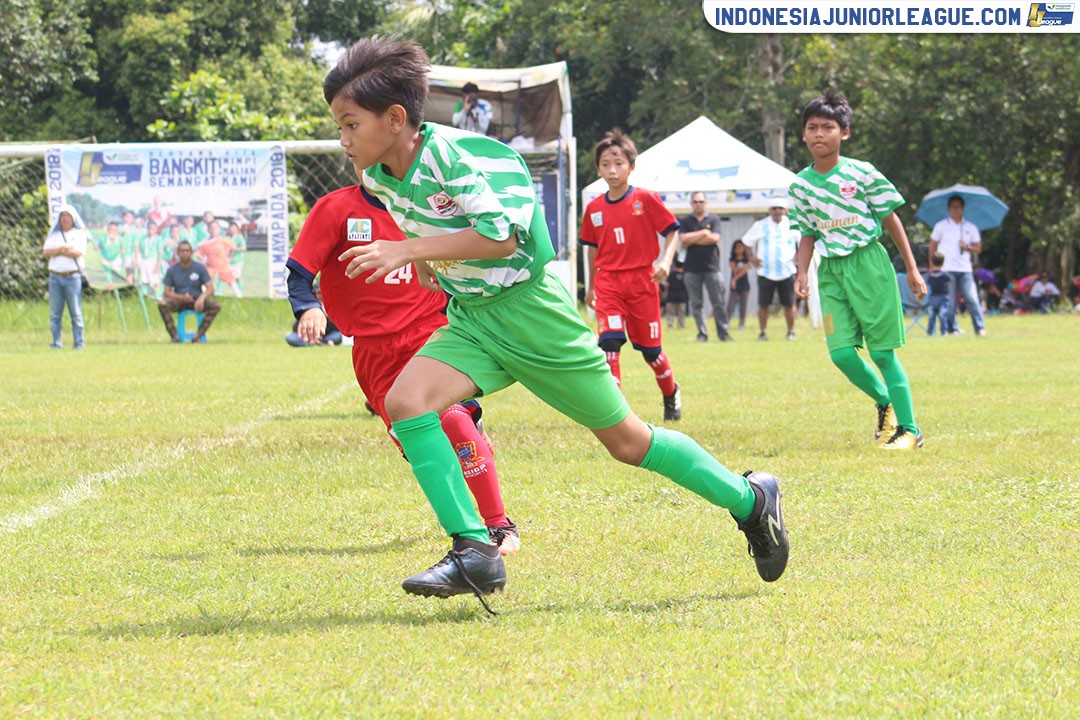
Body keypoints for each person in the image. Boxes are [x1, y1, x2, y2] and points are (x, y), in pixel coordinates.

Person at [326, 36, 789, 606]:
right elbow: (430, 225)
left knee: (627, 442)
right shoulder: (378, 176)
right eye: (340, 126)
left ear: (396, 119)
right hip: (472, 320)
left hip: (533, 314)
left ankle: (751, 500)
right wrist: (430, 263)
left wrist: (408, 252)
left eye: (351, 125)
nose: (343, 139)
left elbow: (502, 238)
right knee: (405, 403)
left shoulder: (452, 157)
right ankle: (475, 550)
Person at [286, 183, 520, 557]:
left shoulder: (424, 202)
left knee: (453, 420)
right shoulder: (335, 209)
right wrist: (308, 308)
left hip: (430, 330)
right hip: (372, 352)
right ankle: (470, 464)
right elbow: (300, 273)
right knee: (423, 445)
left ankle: (496, 525)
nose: (356, 154)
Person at [790, 91, 927, 450]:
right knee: (841, 354)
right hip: (831, 271)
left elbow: (891, 220)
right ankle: (885, 402)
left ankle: (910, 431)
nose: (819, 134)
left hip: (869, 264)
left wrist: (912, 268)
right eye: (812, 128)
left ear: (845, 132)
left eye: (828, 127)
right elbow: (807, 233)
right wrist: (802, 273)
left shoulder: (862, 173)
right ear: (803, 134)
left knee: (882, 353)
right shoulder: (800, 185)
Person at [581, 129, 684, 420]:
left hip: (642, 282)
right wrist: (592, 286)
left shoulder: (646, 199)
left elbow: (673, 232)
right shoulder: (594, 208)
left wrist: (665, 261)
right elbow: (591, 249)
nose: (612, 170)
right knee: (609, 344)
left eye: (618, 163)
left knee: (652, 353)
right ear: (598, 169)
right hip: (608, 283)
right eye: (605, 164)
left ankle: (670, 392)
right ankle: (617, 413)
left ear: (631, 167)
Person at [929, 195, 987, 336]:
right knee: (949, 301)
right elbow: (933, 245)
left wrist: (967, 247)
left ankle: (979, 327)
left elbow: (978, 248)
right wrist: (932, 264)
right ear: (949, 209)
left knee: (972, 297)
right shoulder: (941, 226)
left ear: (963, 208)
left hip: (965, 268)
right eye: (953, 207)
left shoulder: (970, 227)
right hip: (946, 268)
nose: (956, 209)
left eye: (958, 207)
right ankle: (952, 328)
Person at [743, 196, 799, 341]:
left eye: (780, 208)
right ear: (769, 210)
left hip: (787, 271)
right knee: (763, 304)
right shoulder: (760, 225)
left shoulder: (793, 225)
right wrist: (751, 257)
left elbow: (804, 242)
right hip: (765, 272)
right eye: (774, 208)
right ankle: (763, 332)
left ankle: (791, 332)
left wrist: (798, 256)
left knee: (789, 304)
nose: (777, 211)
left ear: (785, 210)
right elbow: (746, 241)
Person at [679, 192, 733, 343]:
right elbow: (682, 238)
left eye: (701, 201)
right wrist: (703, 233)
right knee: (696, 304)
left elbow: (715, 238)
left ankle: (723, 333)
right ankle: (702, 334)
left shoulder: (714, 219)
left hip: (712, 268)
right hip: (691, 269)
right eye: (695, 201)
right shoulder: (685, 221)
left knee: (718, 302)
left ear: (706, 203)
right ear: (691, 203)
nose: (698, 204)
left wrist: (692, 239)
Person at [42, 204, 89, 350]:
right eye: (63, 216)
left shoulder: (79, 234)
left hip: (72, 277)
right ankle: (56, 342)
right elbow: (46, 252)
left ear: (73, 218)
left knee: (75, 312)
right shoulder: (54, 235)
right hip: (55, 278)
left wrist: (58, 251)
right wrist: (63, 248)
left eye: (68, 216)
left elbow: (78, 252)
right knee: (55, 313)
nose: (65, 219)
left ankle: (79, 343)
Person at [158, 240, 221, 343]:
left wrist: (202, 298)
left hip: (196, 301)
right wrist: (181, 297)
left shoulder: (199, 268)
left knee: (216, 305)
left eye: (187, 251)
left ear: (191, 253)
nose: (185, 253)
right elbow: (167, 292)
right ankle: (174, 336)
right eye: (182, 251)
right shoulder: (172, 270)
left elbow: (211, 288)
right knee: (162, 304)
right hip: (179, 301)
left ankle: (198, 335)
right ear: (178, 253)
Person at [284, 279, 343, 346]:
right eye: (319, 293)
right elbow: (295, 328)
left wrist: (327, 316)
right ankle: (314, 342)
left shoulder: (332, 304)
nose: (321, 295)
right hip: (308, 335)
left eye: (323, 292)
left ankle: (321, 342)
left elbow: (338, 328)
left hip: (326, 335)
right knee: (290, 337)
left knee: (337, 336)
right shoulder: (309, 304)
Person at [727, 239, 752, 331]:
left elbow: (745, 270)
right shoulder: (732, 259)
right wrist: (742, 268)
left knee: (743, 306)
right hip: (734, 285)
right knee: (731, 305)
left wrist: (735, 279)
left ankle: (741, 324)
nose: (738, 250)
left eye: (740, 247)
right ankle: (726, 322)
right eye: (736, 248)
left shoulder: (746, 259)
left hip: (744, 284)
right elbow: (735, 270)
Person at [925, 252, 952, 336]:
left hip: (933, 298)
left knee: (931, 316)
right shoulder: (945, 275)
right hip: (943, 297)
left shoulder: (930, 275)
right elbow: (950, 281)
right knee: (942, 315)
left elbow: (927, 283)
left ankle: (929, 333)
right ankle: (944, 332)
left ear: (931, 262)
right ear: (943, 263)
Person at [662, 259, 687, 329]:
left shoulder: (671, 274)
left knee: (670, 312)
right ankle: (682, 325)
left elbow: (667, 285)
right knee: (681, 312)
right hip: (682, 296)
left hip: (671, 296)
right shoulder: (685, 275)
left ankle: (670, 325)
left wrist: (666, 292)